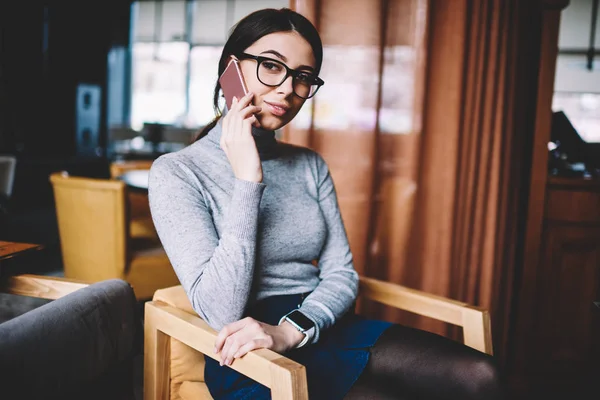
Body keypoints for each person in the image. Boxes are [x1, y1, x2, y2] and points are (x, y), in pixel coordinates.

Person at [148, 7, 505, 400]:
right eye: (271, 66)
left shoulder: (309, 164)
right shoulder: (177, 172)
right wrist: (248, 179)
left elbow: (342, 274)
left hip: (319, 321)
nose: (287, 88)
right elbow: (221, 310)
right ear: (231, 69)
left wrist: (294, 328)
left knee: (481, 374)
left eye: (303, 77)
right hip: (249, 349)